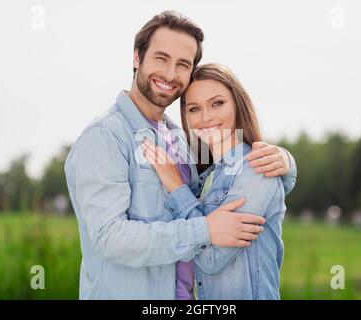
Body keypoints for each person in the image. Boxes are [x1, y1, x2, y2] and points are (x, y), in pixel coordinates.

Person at [64, 10, 297, 299]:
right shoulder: (105, 136)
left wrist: (286, 163)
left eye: (183, 64)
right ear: (137, 58)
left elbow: (233, 171)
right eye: (161, 58)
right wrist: (204, 231)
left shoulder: (182, 137)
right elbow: (109, 239)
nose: (171, 74)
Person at [142, 63, 289, 299]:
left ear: (237, 104)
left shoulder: (256, 168)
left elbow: (211, 259)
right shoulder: (207, 177)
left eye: (217, 103)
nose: (206, 117)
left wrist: (175, 186)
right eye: (194, 109)